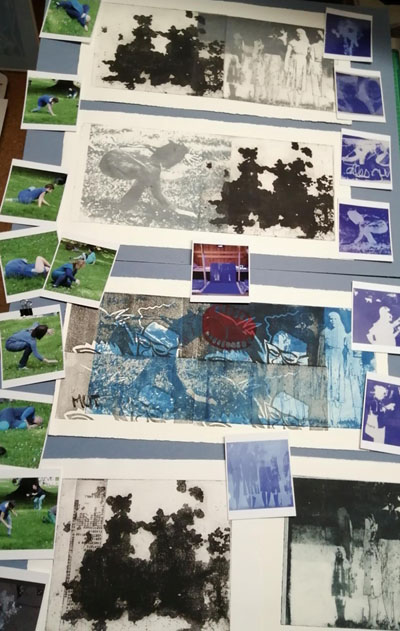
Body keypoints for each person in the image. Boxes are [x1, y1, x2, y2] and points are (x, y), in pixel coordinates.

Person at [318, 312, 349, 426]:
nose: (333, 321)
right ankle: (328, 419)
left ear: (338, 319)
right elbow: (320, 350)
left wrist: (347, 365)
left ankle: (336, 419)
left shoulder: (343, 332)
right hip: (328, 360)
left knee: (338, 389)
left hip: (338, 361)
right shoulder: (324, 332)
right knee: (328, 388)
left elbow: (347, 351)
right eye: (331, 319)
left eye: (335, 319)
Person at [377, 499, 400, 628]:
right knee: (387, 588)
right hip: (387, 549)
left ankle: (395, 621)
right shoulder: (382, 512)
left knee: (394, 589)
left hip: (394, 549)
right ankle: (391, 620)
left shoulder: (396, 513)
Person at [361, 513, 382, 628]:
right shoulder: (367, 536)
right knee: (369, 592)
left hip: (374, 564)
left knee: (374, 592)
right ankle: (370, 619)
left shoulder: (375, 537)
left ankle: (374, 620)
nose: (366, 527)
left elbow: (376, 550)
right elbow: (365, 547)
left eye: (367, 523)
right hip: (368, 565)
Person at [284, 28, 309, 107]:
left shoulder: (306, 43)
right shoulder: (292, 42)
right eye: (298, 33)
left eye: (301, 33)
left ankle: (297, 103)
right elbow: (288, 54)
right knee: (291, 82)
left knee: (300, 83)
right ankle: (291, 102)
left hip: (302, 63)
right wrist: (286, 65)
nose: (299, 35)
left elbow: (309, 55)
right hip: (293, 63)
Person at [308, 30, 325, 109]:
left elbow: (311, 58)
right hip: (318, 65)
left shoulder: (315, 46)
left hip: (318, 65)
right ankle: (317, 103)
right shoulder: (318, 46)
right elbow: (312, 58)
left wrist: (309, 68)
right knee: (317, 84)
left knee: (317, 84)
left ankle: (318, 103)